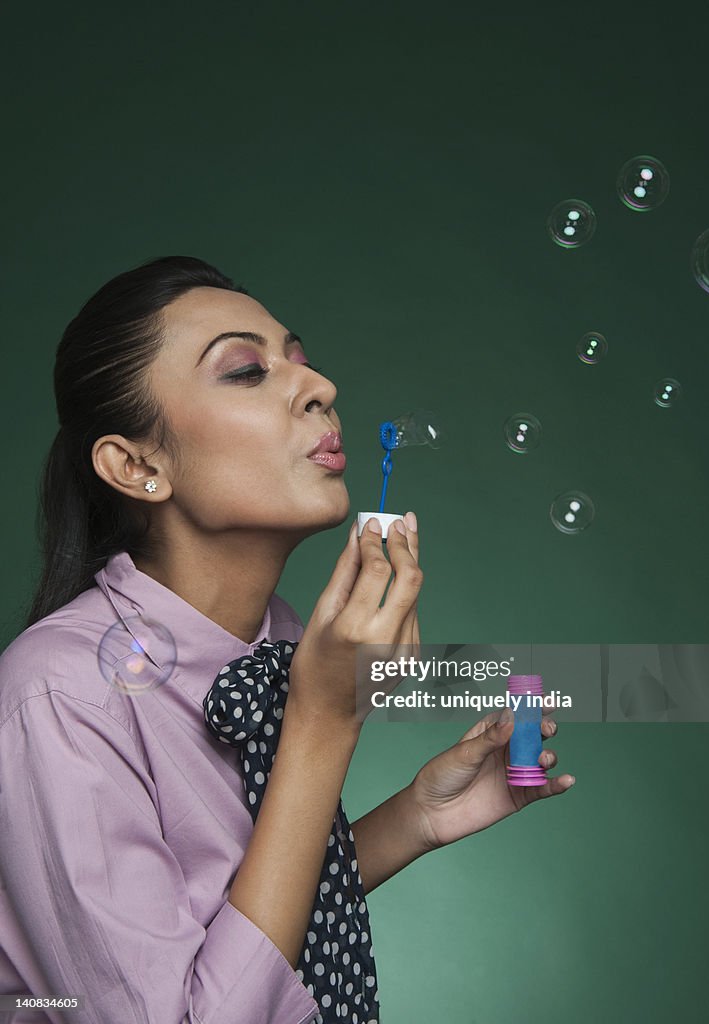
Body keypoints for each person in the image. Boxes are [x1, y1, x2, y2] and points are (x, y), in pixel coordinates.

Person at [0, 255, 574, 1024]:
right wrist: (324, 721)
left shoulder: (280, 638)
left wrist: (417, 820)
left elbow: (235, 931)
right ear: (137, 465)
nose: (320, 387)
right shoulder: (62, 696)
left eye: (299, 361)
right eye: (246, 370)